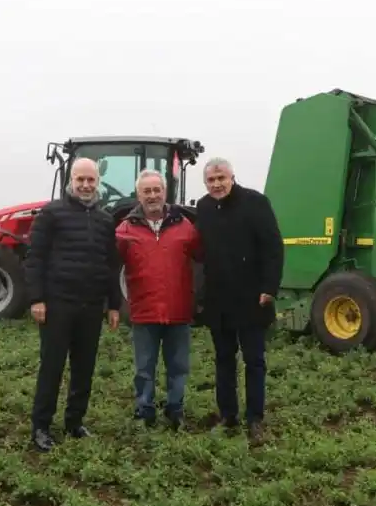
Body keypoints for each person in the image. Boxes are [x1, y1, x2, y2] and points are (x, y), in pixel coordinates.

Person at [24, 157, 122, 452]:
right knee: (52, 366)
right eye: (80, 179)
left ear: (97, 182)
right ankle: (41, 426)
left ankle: (74, 421)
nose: (85, 185)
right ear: (71, 180)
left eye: (91, 180)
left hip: (90, 306)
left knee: (84, 367)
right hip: (57, 304)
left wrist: (113, 304)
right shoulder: (52, 214)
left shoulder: (106, 220)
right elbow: (35, 257)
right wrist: (37, 298)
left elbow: (110, 264)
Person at [194, 157, 284, 443]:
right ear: (206, 183)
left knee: (254, 360)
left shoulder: (255, 203)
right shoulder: (204, 208)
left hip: (252, 298)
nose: (217, 184)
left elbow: (273, 248)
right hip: (219, 299)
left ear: (232, 177)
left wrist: (269, 287)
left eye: (222, 178)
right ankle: (228, 415)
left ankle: (255, 419)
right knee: (223, 359)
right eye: (211, 180)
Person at [116, 169, 200, 430]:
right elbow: (107, 266)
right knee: (144, 368)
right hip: (144, 311)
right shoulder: (124, 230)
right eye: (147, 191)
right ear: (138, 195)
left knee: (178, 367)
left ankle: (175, 410)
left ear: (165, 192)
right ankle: (145, 410)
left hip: (178, 310)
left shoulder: (186, 226)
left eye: (157, 190)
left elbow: (204, 259)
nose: (152, 195)